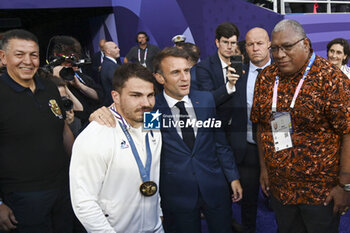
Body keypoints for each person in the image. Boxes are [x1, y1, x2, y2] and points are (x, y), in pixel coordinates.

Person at [90, 47, 242, 233]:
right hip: (176, 196)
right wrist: (101, 113)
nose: (185, 77)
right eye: (176, 72)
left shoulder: (206, 100)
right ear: (160, 78)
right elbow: (130, 130)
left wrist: (233, 177)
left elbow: (220, 143)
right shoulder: (151, 110)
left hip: (215, 187)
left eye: (186, 70)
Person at [251, 19, 350, 233]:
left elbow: (348, 132)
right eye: (275, 48)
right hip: (281, 189)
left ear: (305, 44)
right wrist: (265, 168)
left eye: (287, 47)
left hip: (320, 192)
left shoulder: (332, 79)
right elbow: (261, 126)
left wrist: (345, 186)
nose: (279, 54)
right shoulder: (266, 79)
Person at [70, 63, 163, 233]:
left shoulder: (151, 120)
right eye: (136, 95)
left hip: (155, 227)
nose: (146, 103)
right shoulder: (95, 135)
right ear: (116, 96)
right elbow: (84, 202)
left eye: (150, 95)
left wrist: (158, 213)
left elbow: (153, 172)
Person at [0, 29, 74, 232]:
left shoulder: (49, 87)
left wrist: (80, 170)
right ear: (3, 57)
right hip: (22, 198)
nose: (28, 61)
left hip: (63, 190)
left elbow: (63, 130)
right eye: (19, 54)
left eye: (33, 55)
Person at [227, 27, 272, 233]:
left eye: (260, 43)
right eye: (250, 44)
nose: (255, 48)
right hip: (248, 149)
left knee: (283, 203)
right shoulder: (237, 74)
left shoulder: (284, 73)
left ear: (269, 44)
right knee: (248, 202)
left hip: (279, 150)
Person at [196, 22, 241, 131]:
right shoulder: (204, 68)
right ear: (217, 43)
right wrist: (229, 86)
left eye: (233, 43)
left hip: (240, 129)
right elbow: (207, 101)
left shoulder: (243, 67)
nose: (229, 47)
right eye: (225, 42)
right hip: (216, 129)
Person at [50, 35, 104, 127]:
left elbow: (99, 96)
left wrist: (80, 86)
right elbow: (80, 110)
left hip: (97, 123)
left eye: (72, 61)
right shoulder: (52, 82)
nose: (70, 65)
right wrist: (60, 82)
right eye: (66, 62)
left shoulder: (81, 76)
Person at [100, 41, 120, 105]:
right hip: (114, 102)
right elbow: (118, 84)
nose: (119, 49)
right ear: (108, 51)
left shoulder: (108, 64)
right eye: (115, 48)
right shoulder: (110, 66)